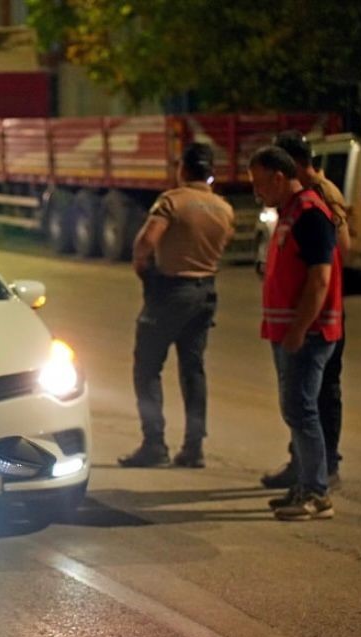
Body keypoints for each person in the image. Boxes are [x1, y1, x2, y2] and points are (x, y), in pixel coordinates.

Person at [119, 143, 235, 469]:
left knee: (147, 367)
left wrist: (144, 271)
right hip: (206, 292)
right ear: (210, 171)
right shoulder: (224, 209)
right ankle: (194, 447)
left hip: (171, 291)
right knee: (193, 370)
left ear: (182, 168)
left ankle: (154, 444)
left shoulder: (172, 201)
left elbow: (146, 242)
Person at [248, 146, 343, 521]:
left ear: (278, 178)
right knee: (295, 409)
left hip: (310, 333)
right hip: (289, 331)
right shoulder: (288, 213)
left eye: (259, 184)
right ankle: (305, 484)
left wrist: (299, 328)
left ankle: (317, 494)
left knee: (302, 410)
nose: (256, 192)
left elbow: (321, 280)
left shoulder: (309, 214)